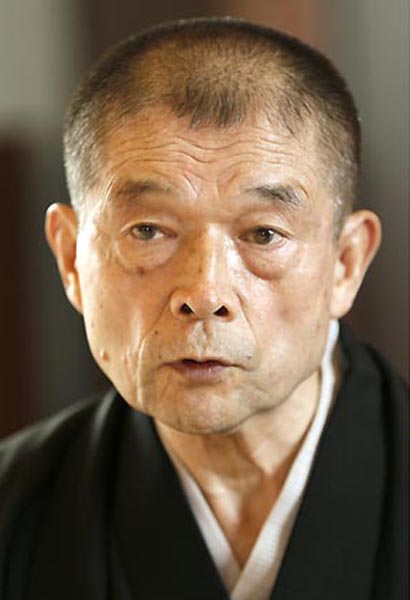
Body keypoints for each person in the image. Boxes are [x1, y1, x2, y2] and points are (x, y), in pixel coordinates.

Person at [0, 17, 407, 600]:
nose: (205, 293)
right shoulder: (15, 513)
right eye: (148, 230)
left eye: (263, 234)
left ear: (346, 263)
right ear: (70, 259)